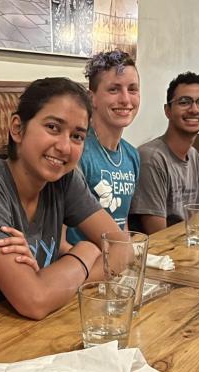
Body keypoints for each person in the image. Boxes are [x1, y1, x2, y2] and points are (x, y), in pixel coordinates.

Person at [0, 77, 121, 320]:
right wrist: (85, 252)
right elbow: (34, 301)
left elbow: (122, 249)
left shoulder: (64, 180)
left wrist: (54, 282)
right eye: (53, 128)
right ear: (17, 128)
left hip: (35, 329)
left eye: (77, 136)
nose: (65, 147)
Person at [65, 50, 140, 245]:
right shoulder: (78, 151)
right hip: (82, 263)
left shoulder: (132, 155)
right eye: (114, 90)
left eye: (132, 89)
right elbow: (61, 239)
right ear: (92, 98)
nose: (125, 99)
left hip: (116, 258)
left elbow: (121, 225)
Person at [129, 71, 199, 234]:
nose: (194, 109)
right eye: (184, 102)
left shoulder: (194, 155)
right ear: (167, 110)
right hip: (160, 254)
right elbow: (157, 235)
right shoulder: (152, 158)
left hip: (187, 245)